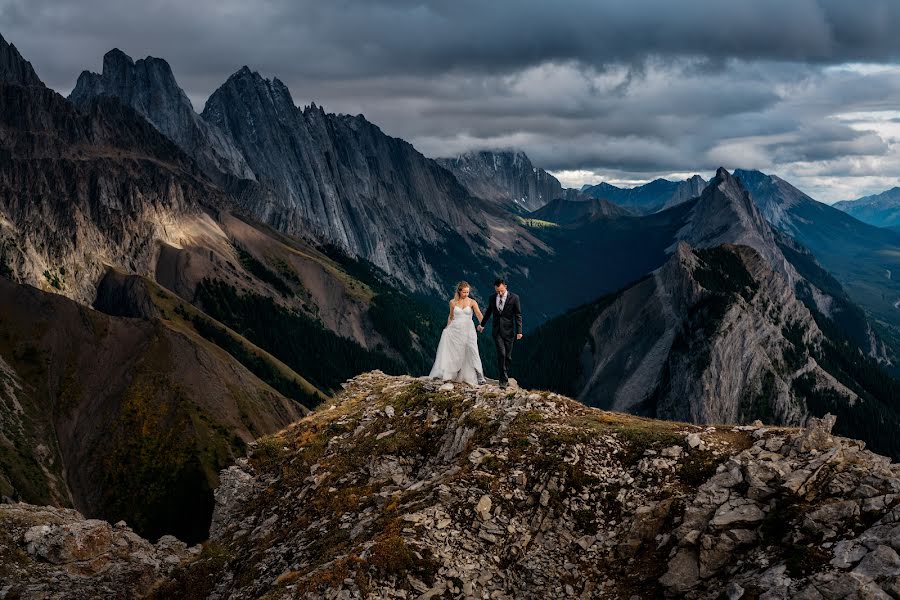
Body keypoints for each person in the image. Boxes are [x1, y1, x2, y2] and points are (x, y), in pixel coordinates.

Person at [428, 281, 486, 386]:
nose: (466, 294)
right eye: (464, 292)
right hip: (455, 329)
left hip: (469, 329)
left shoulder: (472, 302)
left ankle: (479, 375)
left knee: (472, 349)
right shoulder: (452, 302)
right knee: (456, 351)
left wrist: (482, 324)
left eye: (468, 292)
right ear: (459, 291)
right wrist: (447, 327)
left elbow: (478, 314)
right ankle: (454, 373)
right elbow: (451, 317)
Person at [477, 277, 522, 388]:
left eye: (501, 290)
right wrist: (482, 325)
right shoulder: (492, 298)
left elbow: (518, 315)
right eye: (498, 291)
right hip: (497, 331)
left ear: (505, 286)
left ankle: (504, 374)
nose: (500, 293)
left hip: (509, 331)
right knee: (501, 354)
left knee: (508, 357)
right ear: (495, 289)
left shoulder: (514, 298)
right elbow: (488, 312)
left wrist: (519, 331)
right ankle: (503, 380)